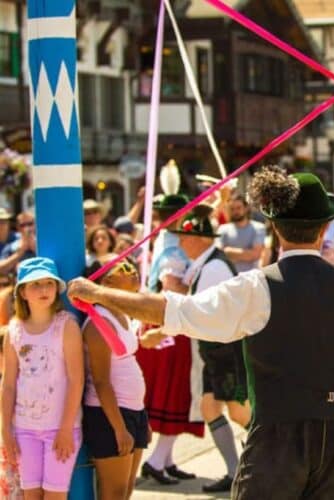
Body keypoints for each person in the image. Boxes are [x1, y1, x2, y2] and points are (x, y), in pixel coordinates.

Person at [67, 167, 334, 500]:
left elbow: (173, 310)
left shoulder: (257, 287)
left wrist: (98, 293)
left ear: (274, 228)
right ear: (325, 230)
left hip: (279, 429)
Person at [146, 212, 251, 493]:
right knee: (210, 408)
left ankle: (267, 462)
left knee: (241, 414)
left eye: (186, 236)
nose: (180, 240)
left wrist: (160, 333)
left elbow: (198, 314)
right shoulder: (205, 263)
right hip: (215, 351)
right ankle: (235, 471)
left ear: (202, 239)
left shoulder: (214, 268)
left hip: (226, 351)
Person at [1, 258, 84, 498]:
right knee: (31, 494)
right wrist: (6, 429)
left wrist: (67, 428)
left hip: (61, 428)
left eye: (49, 283)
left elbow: (76, 380)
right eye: (35, 284)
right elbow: (8, 385)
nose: (44, 289)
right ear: (23, 292)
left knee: (55, 495)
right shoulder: (14, 330)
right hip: (24, 429)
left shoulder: (66, 326)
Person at [137, 193, 201, 485]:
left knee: (176, 390)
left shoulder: (168, 238)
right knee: (175, 389)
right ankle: (156, 460)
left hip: (164, 317)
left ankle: (165, 459)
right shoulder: (172, 245)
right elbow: (171, 284)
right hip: (170, 319)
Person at [82, 259, 148, 499]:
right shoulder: (97, 323)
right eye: (126, 270)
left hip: (134, 410)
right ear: (106, 281)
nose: (134, 273)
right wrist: (119, 429)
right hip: (110, 416)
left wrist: (142, 418)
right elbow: (101, 382)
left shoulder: (121, 313)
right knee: (113, 493)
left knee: (127, 489)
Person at [216, 193, 265, 273]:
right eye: (232, 208)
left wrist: (228, 250)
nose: (235, 211)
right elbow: (219, 254)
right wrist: (246, 253)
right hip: (228, 277)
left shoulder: (259, 228)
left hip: (251, 278)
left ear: (246, 208)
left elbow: (255, 255)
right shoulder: (222, 229)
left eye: (238, 208)